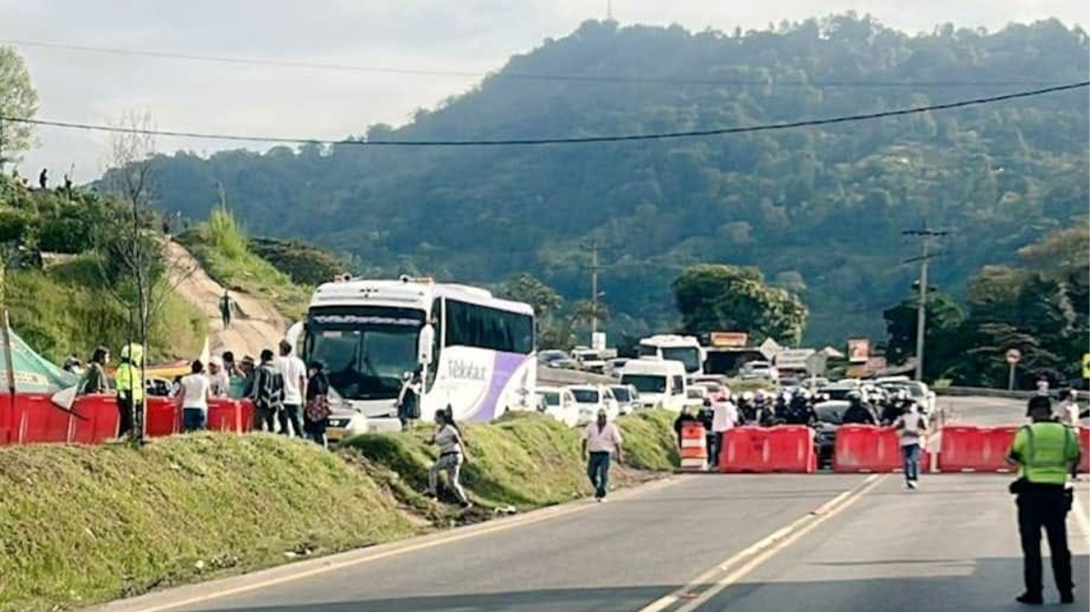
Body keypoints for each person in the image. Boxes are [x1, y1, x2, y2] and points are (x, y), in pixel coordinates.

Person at [1007, 395, 1081, 606]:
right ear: (1049, 411)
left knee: (1031, 547)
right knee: (1059, 545)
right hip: (1056, 494)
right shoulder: (1066, 433)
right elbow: (1075, 458)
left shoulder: (1027, 433)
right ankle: (1066, 591)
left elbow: (1012, 458)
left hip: (1031, 494)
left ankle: (1034, 592)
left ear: (1032, 413)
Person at [426, 407, 471, 509]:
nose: (434, 419)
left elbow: (459, 441)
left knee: (433, 469)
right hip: (449, 456)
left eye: (435, 416)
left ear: (441, 417)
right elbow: (432, 441)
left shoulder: (449, 429)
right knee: (452, 482)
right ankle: (464, 502)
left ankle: (432, 493)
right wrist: (426, 442)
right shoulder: (438, 430)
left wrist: (465, 455)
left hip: (453, 455)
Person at [582, 408, 624, 502]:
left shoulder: (611, 427)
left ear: (606, 417)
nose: (601, 419)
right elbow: (584, 439)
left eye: (603, 417)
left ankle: (602, 493)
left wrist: (619, 455)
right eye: (599, 417)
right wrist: (583, 452)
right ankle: (599, 489)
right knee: (591, 473)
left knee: (603, 472)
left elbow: (617, 442)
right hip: (593, 453)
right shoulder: (591, 426)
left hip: (605, 453)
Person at [892, 401, 929, 490]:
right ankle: (909, 479)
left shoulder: (919, 417)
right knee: (907, 461)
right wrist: (903, 432)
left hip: (916, 442)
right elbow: (896, 427)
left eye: (910, 406)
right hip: (905, 442)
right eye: (906, 407)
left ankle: (913, 479)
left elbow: (925, 428)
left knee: (912, 460)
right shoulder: (902, 418)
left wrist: (916, 433)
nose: (908, 408)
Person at [276, 340, 306, 437]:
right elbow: (303, 381)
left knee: (284, 426)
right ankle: (302, 442)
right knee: (297, 425)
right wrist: (303, 397)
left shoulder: (279, 362)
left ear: (282, 349)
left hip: (282, 398)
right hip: (296, 398)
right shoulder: (299, 362)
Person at [113, 344, 143, 439]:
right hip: (129, 398)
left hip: (129, 397)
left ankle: (125, 437)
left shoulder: (126, 367)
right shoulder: (128, 368)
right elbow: (127, 385)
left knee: (126, 421)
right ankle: (130, 437)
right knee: (129, 421)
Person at [250, 349, 282, 432]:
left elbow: (256, 386)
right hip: (274, 401)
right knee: (271, 423)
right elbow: (281, 386)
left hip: (262, 401)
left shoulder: (261, 370)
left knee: (258, 425)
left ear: (263, 358)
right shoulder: (278, 371)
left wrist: (253, 398)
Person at [175, 360, 211, 433]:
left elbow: (181, 395)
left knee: (188, 431)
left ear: (192, 368)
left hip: (188, 407)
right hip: (201, 406)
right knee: (200, 431)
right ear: (201, 369)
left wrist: (177, 404)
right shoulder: (205, 380)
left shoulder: (185, 379)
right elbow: (208, 397)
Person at [304, 361, 332, 446]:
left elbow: (310, 394)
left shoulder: (314, 380)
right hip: (322, 407)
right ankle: (324, 445)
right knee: (321, 429)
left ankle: (311, 445)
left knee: (311, 428)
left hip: (313, 407)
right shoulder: (325, 379)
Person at [710, 391, 739, 469]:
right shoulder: (729, 406)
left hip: (717, 428)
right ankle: (727, 462)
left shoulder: (716, 406)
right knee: (727, 447)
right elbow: (734, 417)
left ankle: (716, 464)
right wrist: (736, 424)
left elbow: (711, 401)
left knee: (718, 447)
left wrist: (713, 396)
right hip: (728, 429)